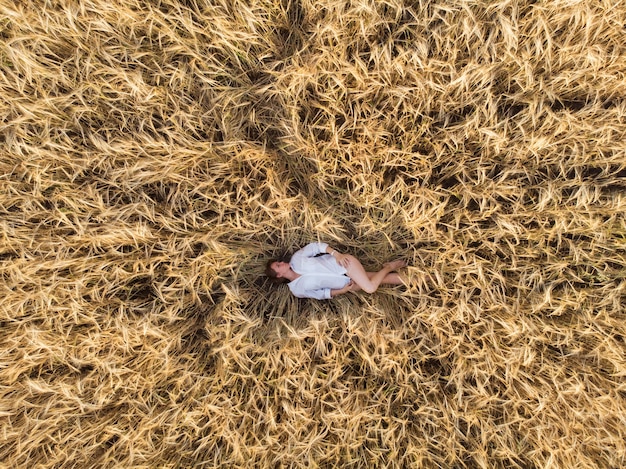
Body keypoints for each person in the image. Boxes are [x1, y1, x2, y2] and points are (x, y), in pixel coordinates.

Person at [265, 242, 406, 299]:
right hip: (346, 284)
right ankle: (420, 279)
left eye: (279, 262)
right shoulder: (297, 290)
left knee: (370, 288)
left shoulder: (297, 258)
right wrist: (342, 291)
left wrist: (336, 254)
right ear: (279, 275)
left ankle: (389, 267)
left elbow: (317, 246)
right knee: (383, 279)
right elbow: (322, 294)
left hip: (345, 265)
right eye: (278, 265)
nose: (282, 262)